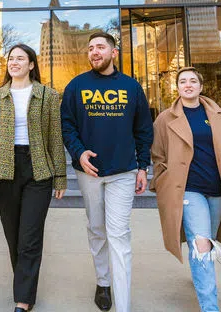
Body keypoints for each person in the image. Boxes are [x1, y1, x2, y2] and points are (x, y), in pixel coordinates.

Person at [60, 32, 154, 312]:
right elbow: (67, 126)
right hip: (89, 173)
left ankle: (122, 305)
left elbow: (143, 130)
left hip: (123, 171)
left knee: (119, 234)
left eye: (100, 47)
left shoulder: (131, 87)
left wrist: (142, 166)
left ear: (114, 52)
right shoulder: (76, 86)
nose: (94, 52)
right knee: (96, 229)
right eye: (90, 48)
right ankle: (103, 282)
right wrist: (78, 152)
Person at [149, 67, 221, 312]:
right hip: (187, 189)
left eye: (192, 81)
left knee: (208, 238)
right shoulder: (165, 119)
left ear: (200, 86)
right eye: (182, 81)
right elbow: (158, 154)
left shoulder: (219, 115)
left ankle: (199, 275)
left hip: (218, 189)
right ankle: (210, 307)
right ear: (177, 87)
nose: (188, 85)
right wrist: (163, 180)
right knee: (201, 243)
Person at [0, 44, 68, 312]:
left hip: (39, 170)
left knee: (30, 237)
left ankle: (23, 299)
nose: (14, 62)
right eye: (11, 58)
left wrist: (60, 176)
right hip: (6, 169)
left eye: (20, 58)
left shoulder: (48, 96)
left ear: (31, 65)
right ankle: (24, 285)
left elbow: (55, 137)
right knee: (13, 235)